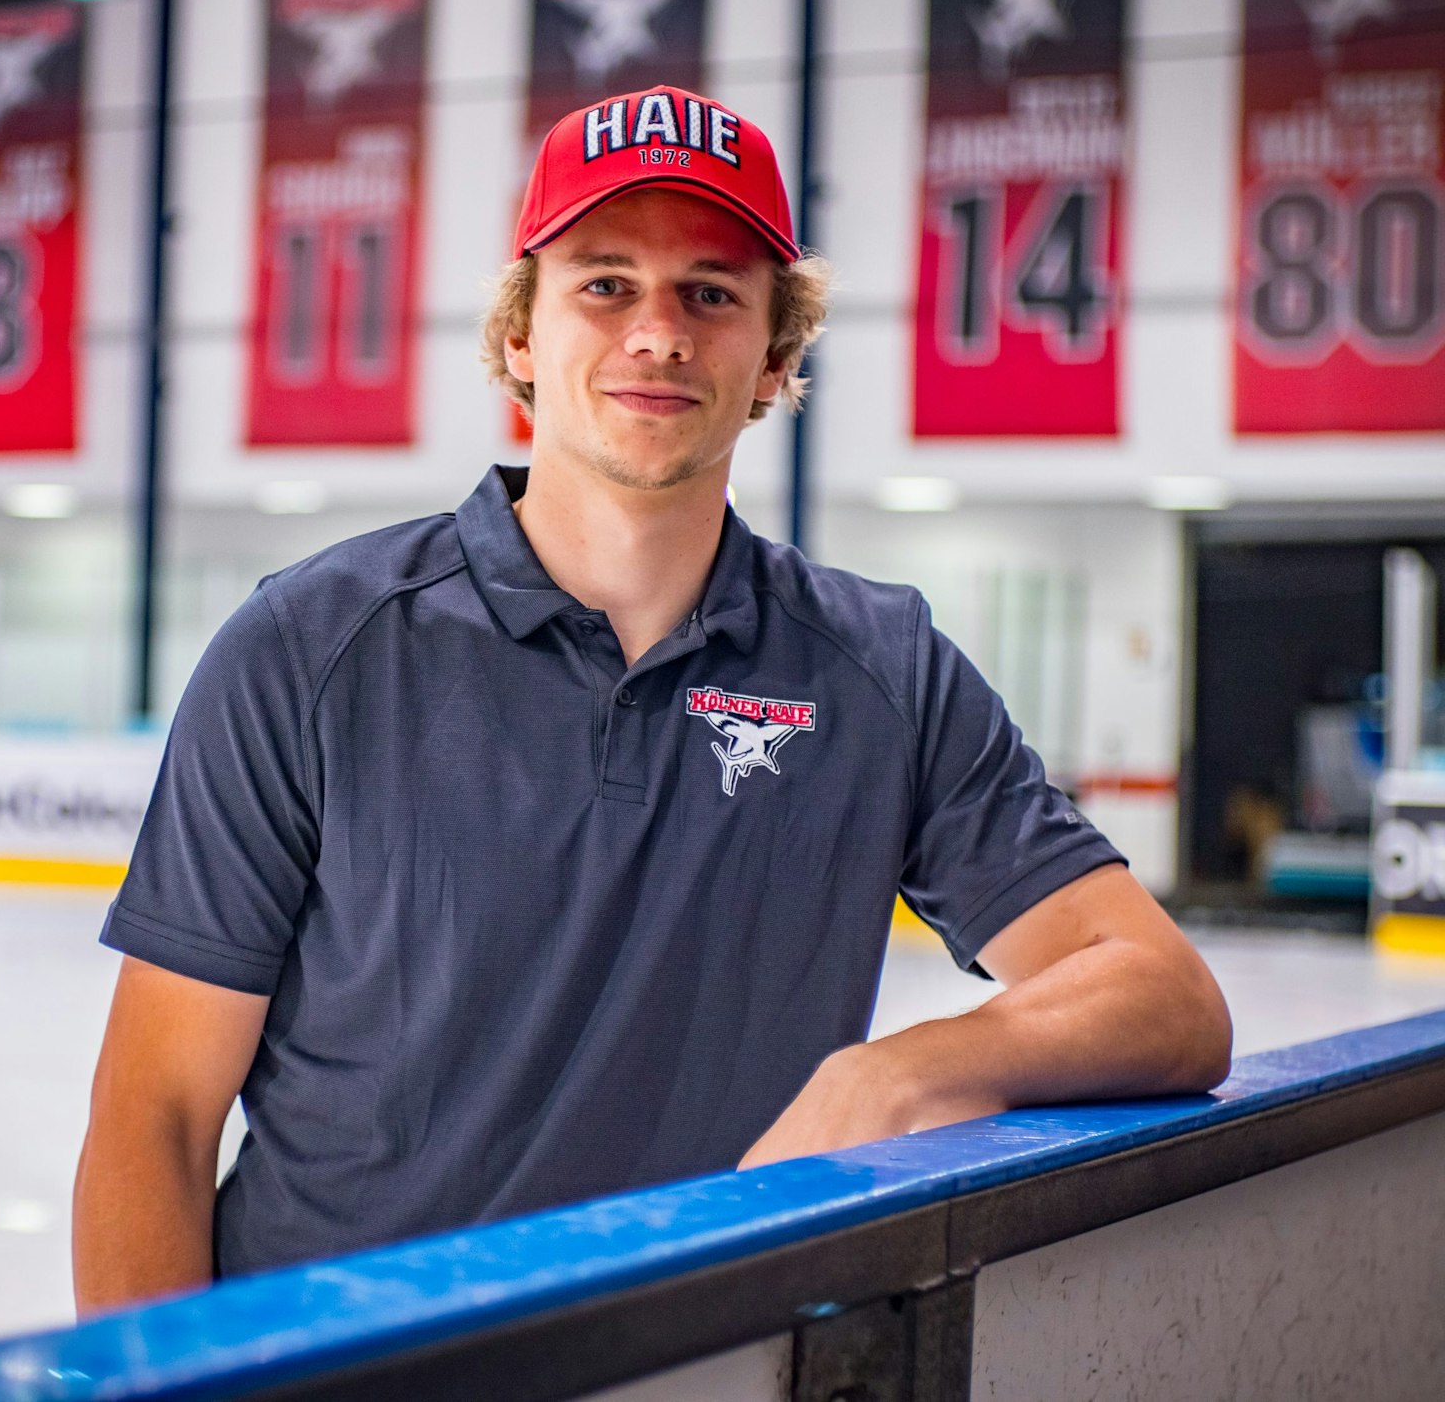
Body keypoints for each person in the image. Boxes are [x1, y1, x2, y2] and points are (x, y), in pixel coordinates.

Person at [72, 85, 1232, 1313]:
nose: (658, 333)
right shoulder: (308, 646)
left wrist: (896, 1078)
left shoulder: (879, 671)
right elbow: (155, 1116)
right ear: (521, 334)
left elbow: (1163, 998)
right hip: (342, 1363)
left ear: (775, 357)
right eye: (604, 284)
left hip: (701, 1362)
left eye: (712, 293)